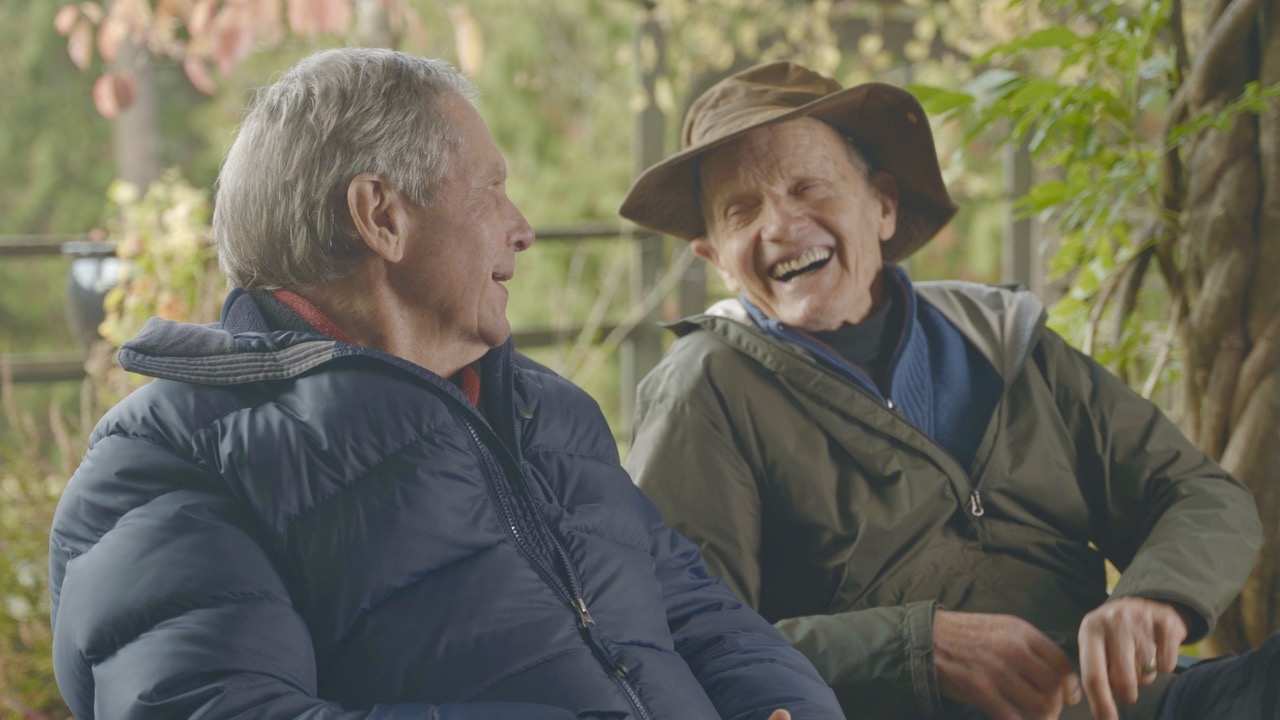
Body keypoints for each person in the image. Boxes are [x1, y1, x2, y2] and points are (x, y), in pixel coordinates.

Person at [47, 49, 846, 720]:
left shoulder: (545, 412)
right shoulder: (164, 460)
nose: (523, 228)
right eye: (491, 189)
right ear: (380, 216)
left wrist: (784, 705)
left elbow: (704, 617)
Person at [620, 61, 1272, 720]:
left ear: (882, 204)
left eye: (807, 188)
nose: (781, 226)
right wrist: (913, 649)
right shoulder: (705, 389)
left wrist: (1153, 597)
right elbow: (681, 638)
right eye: (743, 210)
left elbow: (1200, 493)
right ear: (715, 256)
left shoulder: (1001, 339)